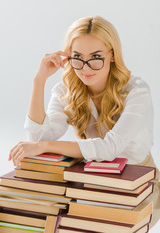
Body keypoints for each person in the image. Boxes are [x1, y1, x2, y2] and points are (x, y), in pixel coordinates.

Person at [8, 16, 160, 228]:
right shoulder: (66, 90)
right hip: (95, 182)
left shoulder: (136, 91)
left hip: (138, 185)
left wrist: (44, 146)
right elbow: (38, 137)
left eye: (96, 57)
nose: (85, 68)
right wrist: (39, 80)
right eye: (77, 57)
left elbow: (110, 148)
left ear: (112, 56)